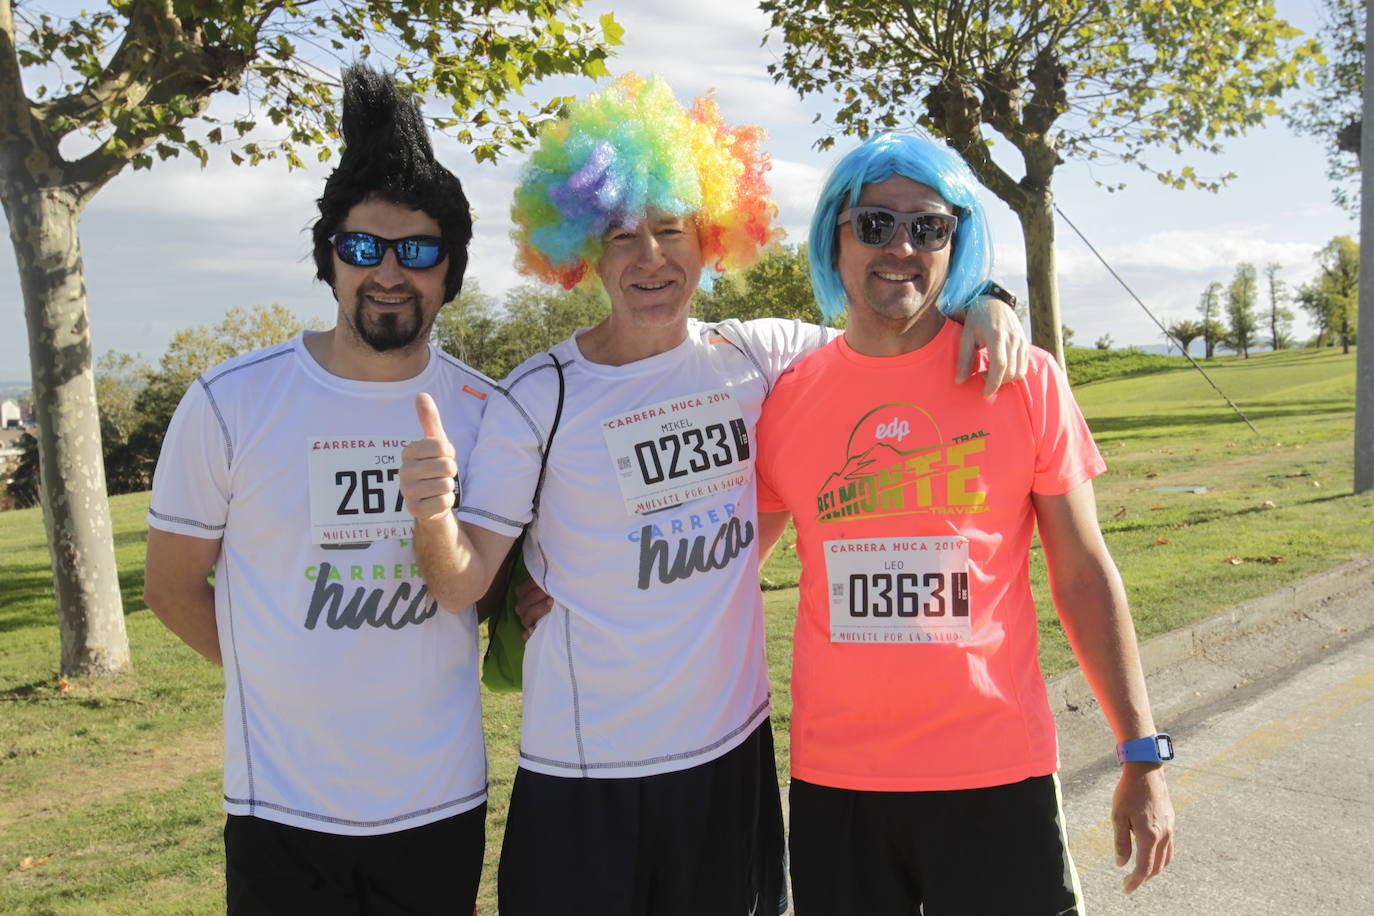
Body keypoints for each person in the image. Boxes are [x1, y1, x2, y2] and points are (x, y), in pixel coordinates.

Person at [399, 75, 1024, 916]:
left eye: (671, 231)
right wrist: (433, 516)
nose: (650, 258)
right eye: (623, 237)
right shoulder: (537, 395)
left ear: (711, 240)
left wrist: (985, 298)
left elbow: (892, 325)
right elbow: (460, 582)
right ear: (583, 249)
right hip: (582, 778)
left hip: (730, 763)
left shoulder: (759, 356)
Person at [752, 132, 1176, 915]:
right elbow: (727, 565)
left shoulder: (1022, 379)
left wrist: (1142, 752)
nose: (902, 247)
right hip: (838, 783)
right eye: (874, 224)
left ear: (957, 240)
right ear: (834, 239)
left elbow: (1082, 574)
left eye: (930, 227)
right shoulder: (787, 399)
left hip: (996, 775)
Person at [142, 64, 491, 914]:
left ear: (450, 268)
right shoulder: (230, 401)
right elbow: (171, 586)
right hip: (282, 807)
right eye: (362, 247)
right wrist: (277, 676)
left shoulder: (491, 411)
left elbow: (504, 577)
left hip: (439, 799)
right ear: (329, 259)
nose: (388, 272)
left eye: (418, 251)